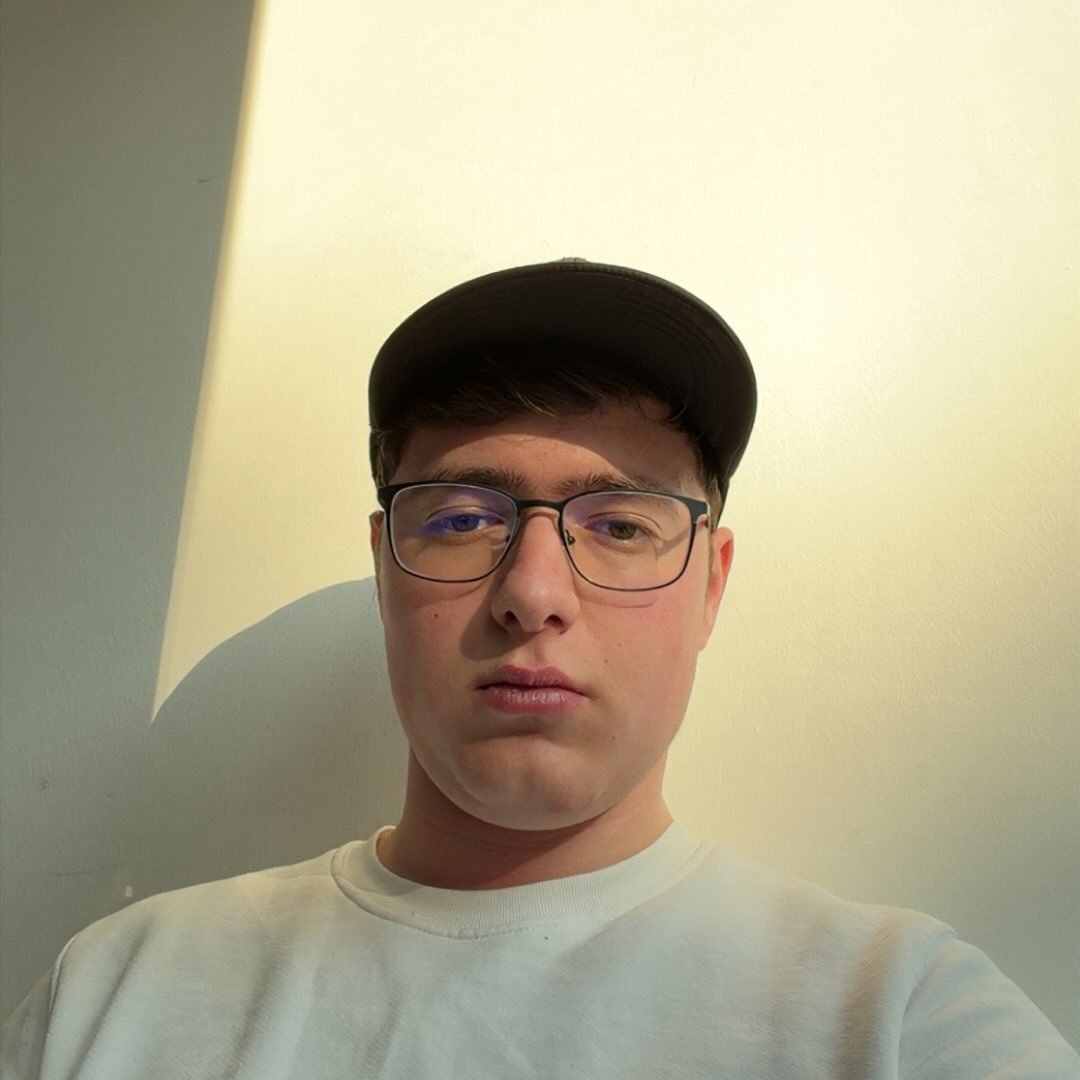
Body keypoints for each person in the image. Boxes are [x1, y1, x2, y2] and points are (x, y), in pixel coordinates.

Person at [2, 259, 1076, 1078]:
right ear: (384, 568)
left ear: (711, 585)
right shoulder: (112, 999)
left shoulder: (901, 1019)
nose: (534, 591)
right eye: (462, 518)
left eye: (621, 524)